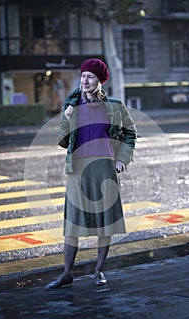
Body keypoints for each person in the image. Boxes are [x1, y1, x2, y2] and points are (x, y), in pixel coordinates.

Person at [45, 58, 137, 290]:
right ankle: (67, 273)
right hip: (78, 171)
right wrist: (66, 120)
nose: (85, 80)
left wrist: (122, 160)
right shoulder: (72, 105)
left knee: (105, 223)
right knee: (72, 224)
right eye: (83, 76)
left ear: (100, 81)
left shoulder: (115, 107)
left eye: (90, 77)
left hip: (105, 168)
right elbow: (63, 142)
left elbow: (130, 133)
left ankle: (99, 270)